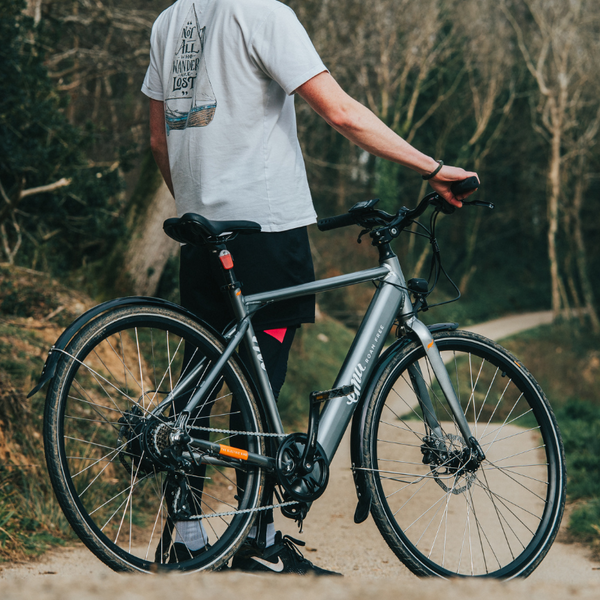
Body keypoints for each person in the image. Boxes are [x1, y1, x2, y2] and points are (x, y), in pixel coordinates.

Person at [142, 0, 477, 575]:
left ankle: (189, 538)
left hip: (203, 233)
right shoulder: (263, 13)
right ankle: (258, 538)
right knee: (263, 377)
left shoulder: (169, 21)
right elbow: (342, 113)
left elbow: (157, 141)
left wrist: (201, 206)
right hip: (267, 231)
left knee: (201, 379)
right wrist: (432, 168)